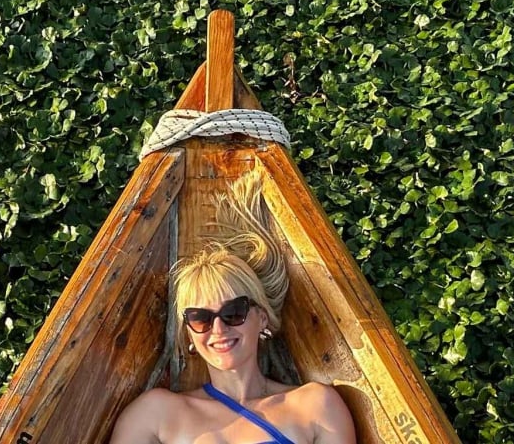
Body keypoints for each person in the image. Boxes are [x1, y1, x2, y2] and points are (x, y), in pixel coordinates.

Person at [109, 178, 356, 444]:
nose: (218, 329)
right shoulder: (155, 414)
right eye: (200, 318)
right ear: (189, 332)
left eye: (233, 312)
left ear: (261, 317)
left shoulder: (313, 406)